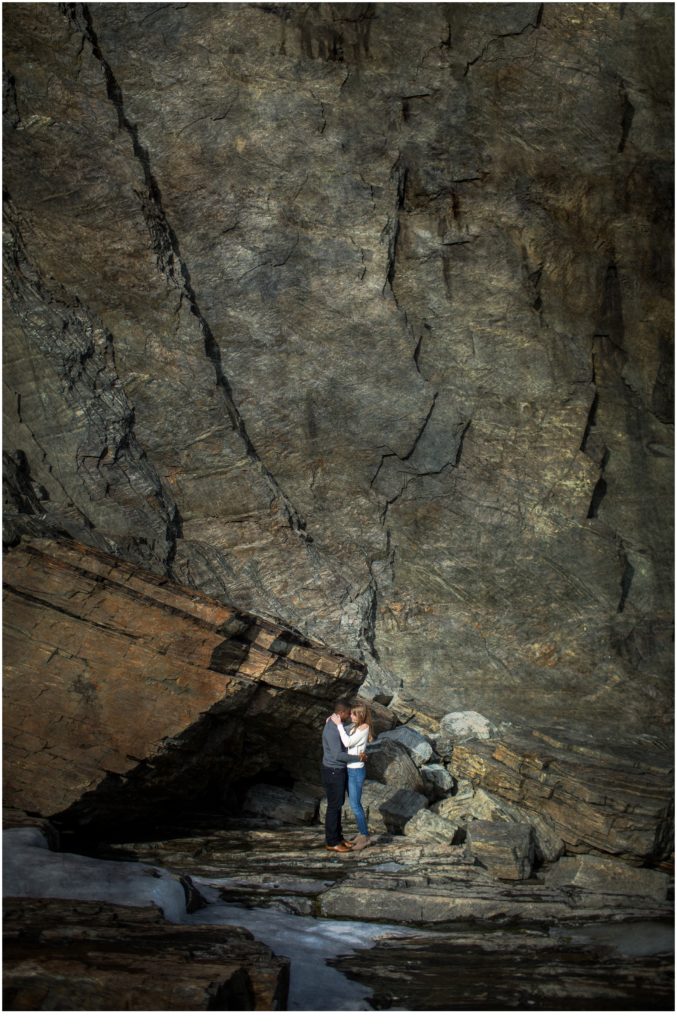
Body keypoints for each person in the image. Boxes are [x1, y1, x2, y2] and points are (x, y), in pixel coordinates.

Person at [321, 699, 366, 853]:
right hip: (333, 771)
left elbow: (346, 730)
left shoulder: (334, 725)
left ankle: (338, 838)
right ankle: (332, 842)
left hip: (337, 771)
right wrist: (357, 758)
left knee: (338, 804)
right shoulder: (332, 729)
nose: (349, 716)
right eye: (348, 713)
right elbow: (338, 755)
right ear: (341, 713)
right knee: (334, 806)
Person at [330, 704, 373, 851]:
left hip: (356, 772)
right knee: (354, 804)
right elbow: (346, 731)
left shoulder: (364, 728)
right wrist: (332, 720)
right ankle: (361, 833)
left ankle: (365, 836)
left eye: (353, 714)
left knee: (355, 805)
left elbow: (347, 742)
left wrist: (339, 725)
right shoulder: (355, 727)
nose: (351, 716)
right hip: (350, 769)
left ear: (360, 716)